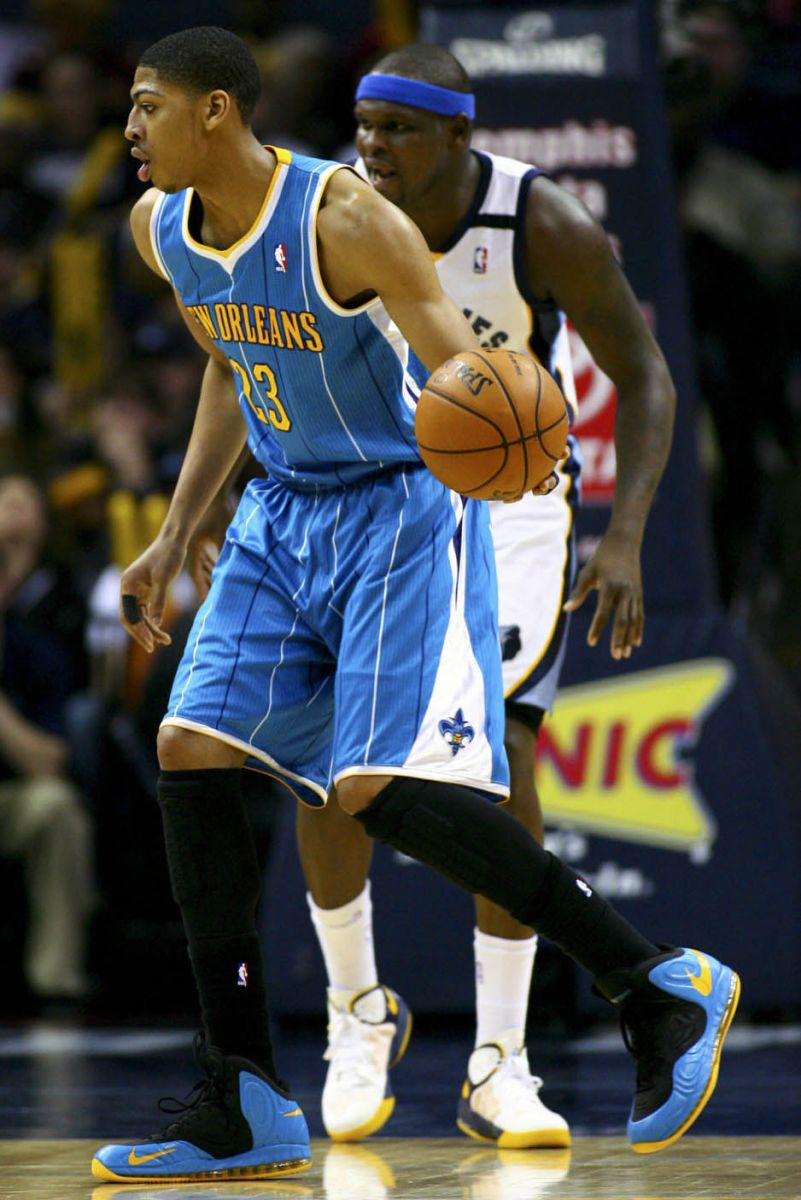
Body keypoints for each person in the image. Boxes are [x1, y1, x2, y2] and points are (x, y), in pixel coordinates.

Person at [92, 26, 738, 1185]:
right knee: (189, 746)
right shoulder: (158, 230)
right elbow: (234, 366)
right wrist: (180, 530)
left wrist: (524, 447)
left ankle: (652, 984)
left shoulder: (348, 222)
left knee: (373, 786)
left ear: (217, 115)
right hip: (281, 509)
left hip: (402, 507)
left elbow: (463, 375)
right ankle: (244, 1094)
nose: (128, 129)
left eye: (148, 106)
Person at [292, 40, 682, 1148]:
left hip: (508, 507)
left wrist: (628, 536)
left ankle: (500, 1063)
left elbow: (645, 375)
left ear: (462, 137)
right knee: (330, 762)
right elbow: (260, 359)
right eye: (365, 131)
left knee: (501, 760)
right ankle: (354, 1013)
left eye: (399, 133)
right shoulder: (332, 212)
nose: (373, 151)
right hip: (369, 499)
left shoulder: (539, 223)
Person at [0, 474, 94, 1007]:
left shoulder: (35, 650)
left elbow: (52, 760)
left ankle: (55, 976)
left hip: (13, 800)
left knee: (58, 809)